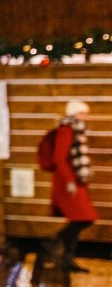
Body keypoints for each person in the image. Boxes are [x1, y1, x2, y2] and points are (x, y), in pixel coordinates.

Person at [48, 101, 97, 272]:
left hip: (76, 181)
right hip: (68, 183)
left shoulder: (77, 130)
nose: (86, 116)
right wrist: (69, 181)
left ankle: (67, 258)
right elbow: (59, 159)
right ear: (75, 114)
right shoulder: (66, 131)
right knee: (85, 217)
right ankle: (57, 241)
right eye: (83, 113)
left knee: (80, 219)